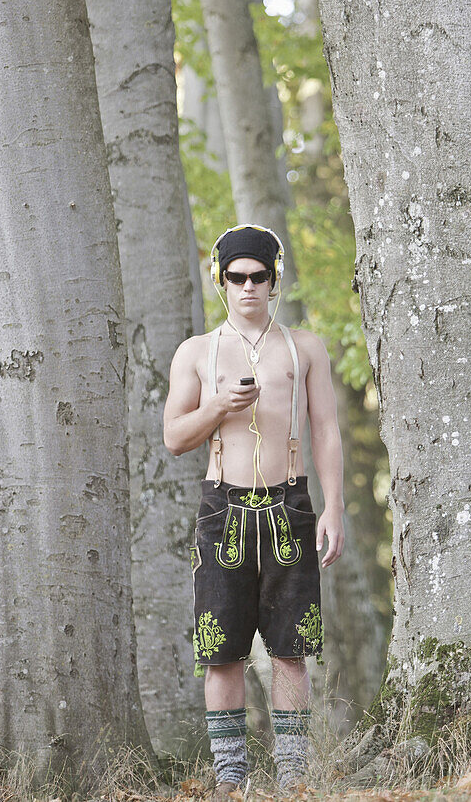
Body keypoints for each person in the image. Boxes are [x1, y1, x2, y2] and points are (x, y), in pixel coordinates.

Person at [163, 223, 345, 798]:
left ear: (275, 279)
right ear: (221, 280)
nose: (247, 287)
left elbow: (327, 433)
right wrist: (218, 404)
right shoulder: (197, 352)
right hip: (224, 509)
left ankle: (293, 779)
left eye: (258, 276)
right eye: (236, 277)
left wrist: (333, 508)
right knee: (222, 653)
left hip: (289, 505)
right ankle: (230, 783)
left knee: (292, 650)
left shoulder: (305, 347)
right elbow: (174, 437)